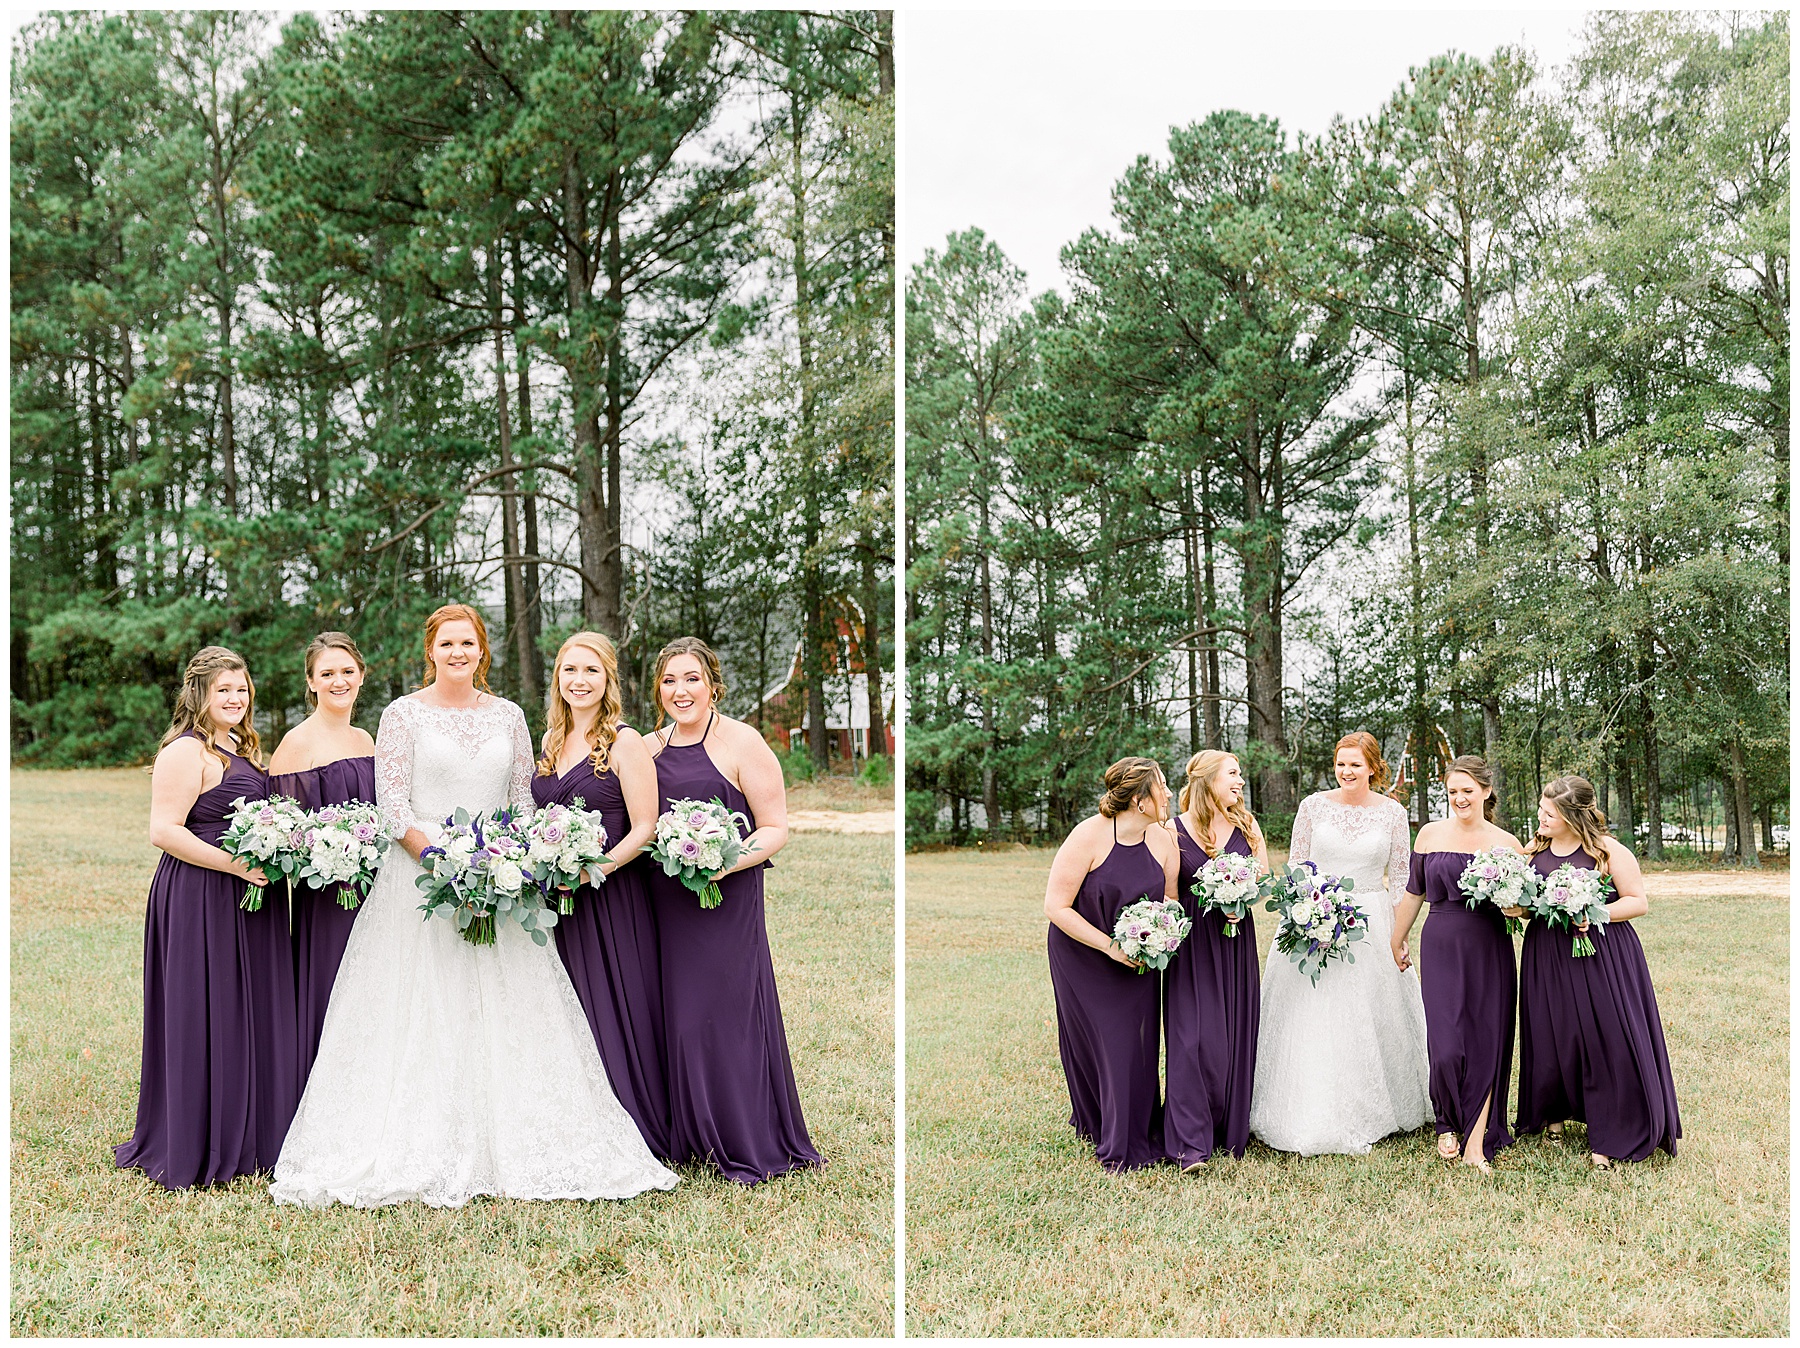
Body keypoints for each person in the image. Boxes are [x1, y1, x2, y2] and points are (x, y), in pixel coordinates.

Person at [270, 604, 677, 1206]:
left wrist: (500, 864)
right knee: (418, 1012)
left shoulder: (510, 717)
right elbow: (394, 807)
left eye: (468, 643)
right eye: (447, 643)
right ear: (430, 651)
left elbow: (521, 803)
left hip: (499, 879)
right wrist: (442, 863)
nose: (458, 652)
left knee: (508, 1011)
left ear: (482, 651)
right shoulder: (401, 715)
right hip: (417, 884)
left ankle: (514, 1138)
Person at [116, 647, 300, 1188]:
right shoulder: (185, 751)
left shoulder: (239, 748)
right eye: (224, 690)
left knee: (251, 1010)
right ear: (199, 693)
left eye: (242, 690)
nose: (236, 699)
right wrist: (235, 865)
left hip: (251, 899)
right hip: (201, 895)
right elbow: (164, 830)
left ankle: (255, 1133)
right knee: (208, 1007)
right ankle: (204, 1136)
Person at [645, 636, 822, 1183]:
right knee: (678, 1019)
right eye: (670, 680)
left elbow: (775, 828)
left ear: (713, 685)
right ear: (659, 689)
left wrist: (724, 860)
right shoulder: (649, 746)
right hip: (666, 900)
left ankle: (744, 1133)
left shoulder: (743, 742)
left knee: (724, 1015)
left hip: (726, 898)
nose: (681, 690)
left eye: (691, 678)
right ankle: (689, 1136)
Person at [1249, 732, 1433, 1155]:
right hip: (1312, 915)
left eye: (1355, 764)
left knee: (1369, 1014)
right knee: (1311, 1013)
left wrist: (1398, 935)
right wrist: (1308, 912)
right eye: (1341, 763)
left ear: (1373, 767)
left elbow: (1402, 881)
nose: (1347, 772)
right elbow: (1296, 866)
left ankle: (1374, 1107)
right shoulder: (1312, 807)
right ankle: (1303, 1107)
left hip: (1371, 924)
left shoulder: (1392, 813)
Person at [531, 631, 671, 1158]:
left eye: (591, 671)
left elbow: (645, 828)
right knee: (565, 1010)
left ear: (608, 679)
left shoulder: (625, 742)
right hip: (555, 903)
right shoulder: (547, 743)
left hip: (610, 897)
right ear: (558, 679)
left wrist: (594, 870)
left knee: (616, 1005)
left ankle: (636, 1124)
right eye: (570, 670)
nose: (579, 681)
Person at [1516, 774, 1680, 1166]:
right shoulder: (1533, 849)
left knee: (1603, 1037)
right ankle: (1552, 1118)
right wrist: (1514, 907)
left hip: (1600, 954)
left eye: (1549, 813)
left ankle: (1612, 1131)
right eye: (1541, 808)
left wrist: (1595, 912)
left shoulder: (1607, 851)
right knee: (1551, 1031)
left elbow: (1637, 901)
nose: (1540, 817)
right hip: (1546, 954)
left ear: (1573, 816)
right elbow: (1527, 901)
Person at [1044, 756, 1179, 1172]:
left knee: (1139, 1044)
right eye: (1161, 787)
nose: (1170, 793)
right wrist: (1108, 947)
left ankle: (1130, 1121)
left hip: (1140, 958)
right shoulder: (1088, 835)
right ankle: (1112, 1133)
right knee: (1109, 1041)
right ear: (1140, 800)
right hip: (1084, 954)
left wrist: (1160, 932)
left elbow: (1170, 898)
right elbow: (1056, 906)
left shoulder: (1163, 838)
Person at [1393, 755, 1521, 1173]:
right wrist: (1398, 937)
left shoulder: (1507, 843)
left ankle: (1477, 1140)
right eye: (1452, 792)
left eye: (1468, 790)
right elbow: (1414, 892)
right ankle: (1446, 1120)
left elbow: (1521, 908)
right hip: (1441, 943)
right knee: (1446, 1043)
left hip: (1489, 946)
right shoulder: (1429, 834)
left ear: (1486, 791)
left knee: (1486, 1039)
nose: (1460, 798)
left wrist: (1511, 903)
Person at [266, 632, 376, 1078]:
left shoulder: (366, 739)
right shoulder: (295, 744)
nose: (338, 681)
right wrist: (328, 851)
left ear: (362, 676)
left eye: (347, 672)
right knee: (331, 989)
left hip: (372, 891)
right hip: (325, 897)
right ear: (310, 682)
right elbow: (279, 832)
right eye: (327, 674)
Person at [1164, 750, 1263, 1167]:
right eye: (1234, 774)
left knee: (1232, 1036)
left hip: (1236, 939)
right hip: (1192, 943)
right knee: (1192, 1040)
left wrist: (1241, 898)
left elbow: (1262, 878)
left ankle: (1227, 1130)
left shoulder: (1248, 824)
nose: (1241, 781)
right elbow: (1169, 894)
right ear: (1207, 781)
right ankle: (1189, 1143)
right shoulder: (1173, 829)